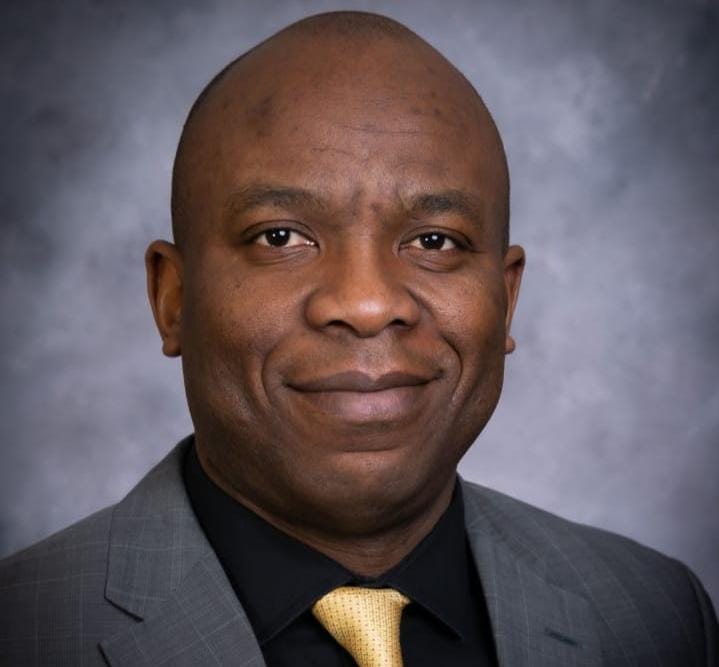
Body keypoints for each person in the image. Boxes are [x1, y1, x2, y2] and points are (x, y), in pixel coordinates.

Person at [0, 10, 716, 667]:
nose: (368, 305)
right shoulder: (23, 630)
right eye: (281, 237)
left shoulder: (656, 613)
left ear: (506, 300)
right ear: (172, 299)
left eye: (434, 240)